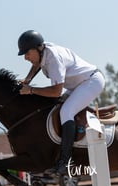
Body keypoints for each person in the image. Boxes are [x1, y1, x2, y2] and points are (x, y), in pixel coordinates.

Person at [18, 30, 105, 175]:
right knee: (55, 108)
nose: (25, 57)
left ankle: (65, 161)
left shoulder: (53, 58)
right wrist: (27, 80)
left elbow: (56, 92)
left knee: (66, 111)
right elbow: (36, 64)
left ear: (38, 48)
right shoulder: (42, 52)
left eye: (27, 53)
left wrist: (31, 90)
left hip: (91, 82)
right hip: (78, 84)